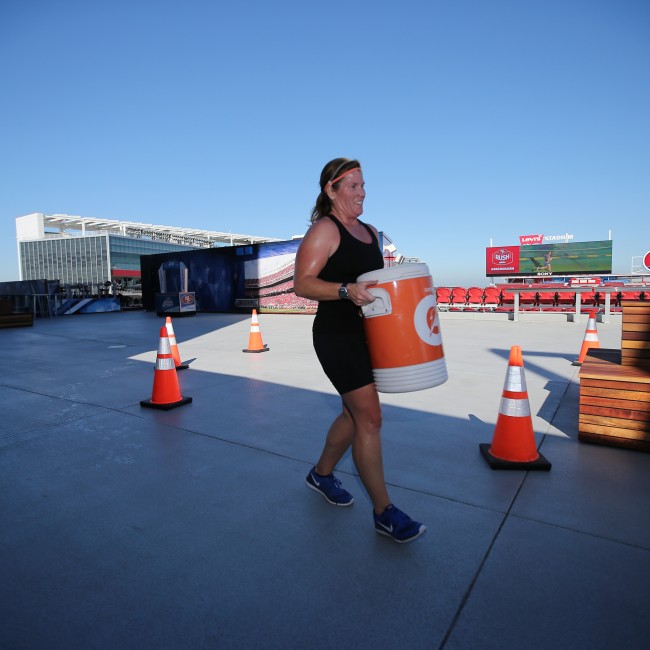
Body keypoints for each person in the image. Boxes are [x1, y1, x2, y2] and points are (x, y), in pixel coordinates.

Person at [293, 157, 426, 544]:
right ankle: (384, 512)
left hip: (369, 334)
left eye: (363, 185)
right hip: (336, 335)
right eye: (351, 185)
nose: (361, 192)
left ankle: (321, 474)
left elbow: (379, 285)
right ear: (330, 191)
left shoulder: (370, 232)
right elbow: (303, 284)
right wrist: (344, 290)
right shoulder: (325, 230)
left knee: (354, 415)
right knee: (370, 417)